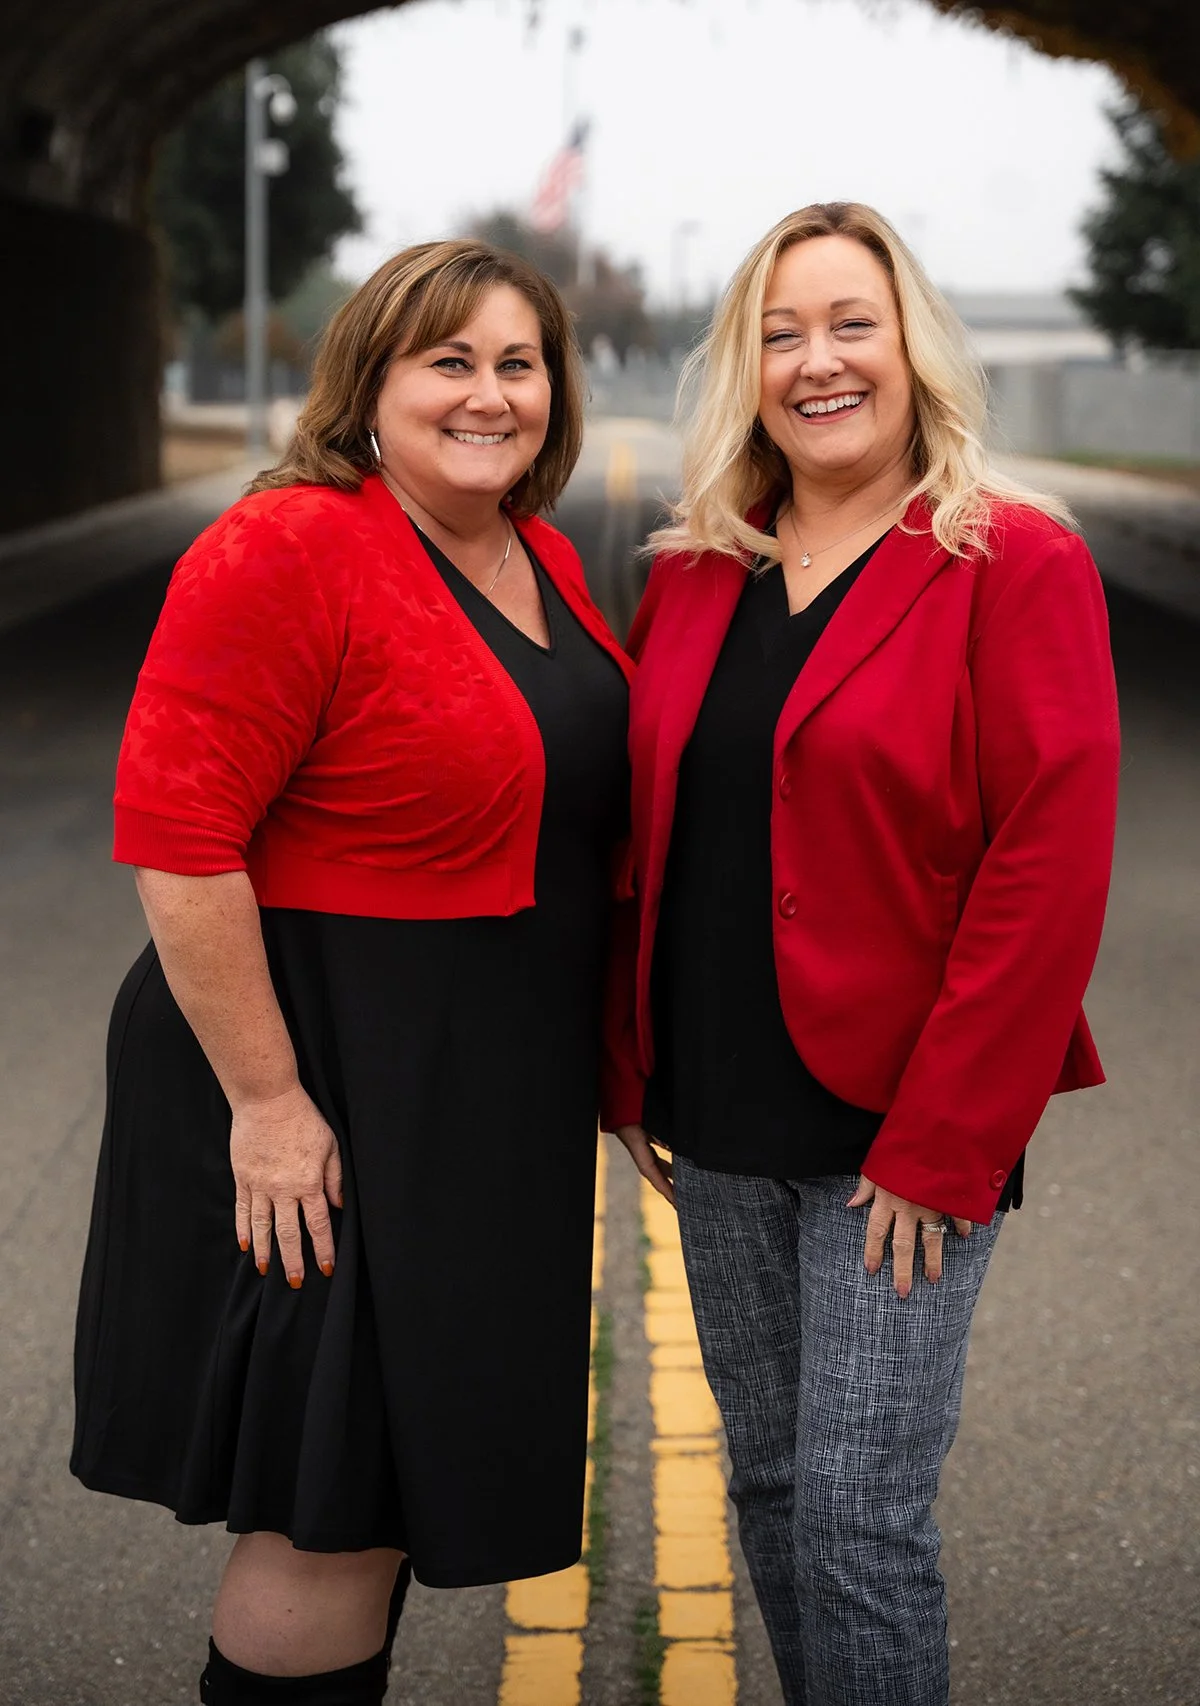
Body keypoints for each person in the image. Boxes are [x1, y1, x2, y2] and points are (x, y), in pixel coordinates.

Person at [71, 239, 633, 1705]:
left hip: (473, 1099)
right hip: (323, 1077)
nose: (490, 393)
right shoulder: (291, 543)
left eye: (519, 362)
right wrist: (267, 1099)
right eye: (448, 360)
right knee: (328, 1499)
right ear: (370, 382)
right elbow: (180, 839)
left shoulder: (541, 553)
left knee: (388, 1491)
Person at [605, 202, 1120, 1706]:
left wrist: (947, 1141)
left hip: (903, 1128)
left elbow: (1048, 864)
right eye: (779, 331)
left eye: (851, 324)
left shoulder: (1006, 558)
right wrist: (629, 1063)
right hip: (716, 1118)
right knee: (767, 1487)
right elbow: (652, 837)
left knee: (857, 1512)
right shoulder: (699, 570)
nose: (815, 360)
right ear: (742, 368)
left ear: (914, 350)